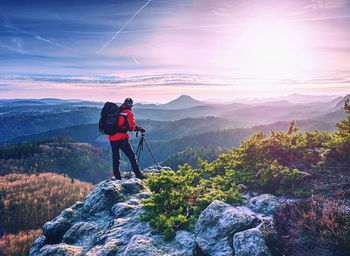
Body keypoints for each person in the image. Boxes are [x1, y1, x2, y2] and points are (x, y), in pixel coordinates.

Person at [109, 98, 145, 180]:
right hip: (121, 138)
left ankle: (117, 177)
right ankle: (138, 174)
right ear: (131, 105)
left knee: (116, 158)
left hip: (112, 138)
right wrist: (139, 129)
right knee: (131, 156)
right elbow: (131, 128)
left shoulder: (118, 111)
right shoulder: (127, 112)